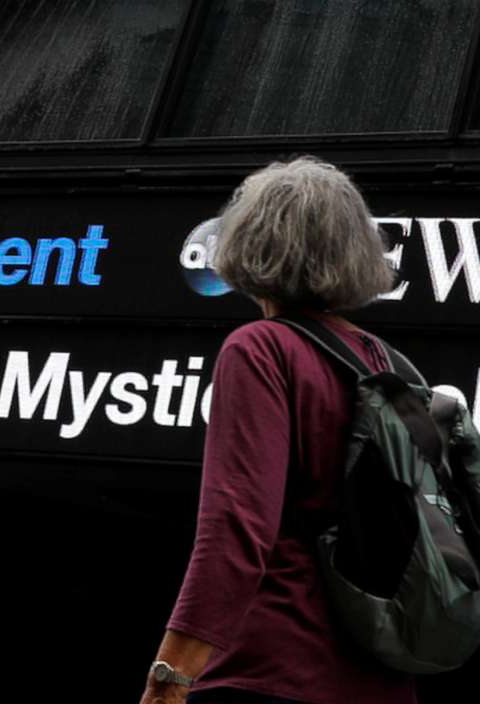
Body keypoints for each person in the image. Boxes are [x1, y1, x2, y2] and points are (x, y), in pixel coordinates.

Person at [145, 157, 413, 704]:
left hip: (270, 670)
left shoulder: (261, 349)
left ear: (250, 243)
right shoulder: (386, 363)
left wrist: (170, 675)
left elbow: (237, 527)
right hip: (379, 677)